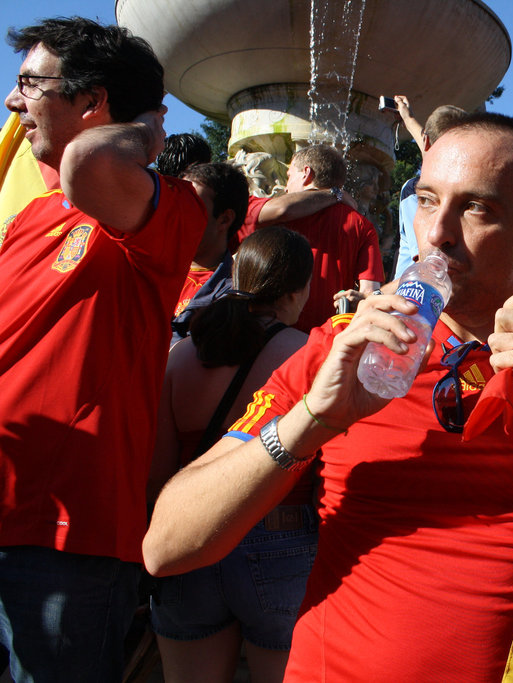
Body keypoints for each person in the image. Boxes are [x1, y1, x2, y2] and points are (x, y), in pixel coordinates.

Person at [144, 112, 513, 681]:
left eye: (477, 208)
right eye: (425, 199)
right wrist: (312, 419)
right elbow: (168, 546)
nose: (438, 232)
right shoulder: (342, 350)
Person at [0, 16, 206, 680]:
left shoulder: (170, 209)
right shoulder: (32, 213)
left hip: (68, 537)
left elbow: (92, 162)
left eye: (30, 83)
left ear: (91, 102)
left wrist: (146, 126)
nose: (12, 100)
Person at [149, 226, 315, 683]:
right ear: (299, 289)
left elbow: (159, 474)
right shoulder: (306, 356)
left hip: (190, 541)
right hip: (281, 540)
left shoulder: (181, 356)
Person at [237, 144, 384, 332]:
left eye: (289, 176)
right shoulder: (362, 225)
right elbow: (369, 292)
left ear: (306, 173)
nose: (286, 185)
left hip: (267, 333)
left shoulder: (268, 213)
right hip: (324, 340)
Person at [171, 162, 250, 345]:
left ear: (224, 219)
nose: (177, 213)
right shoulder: (149, 268)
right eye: (176, 203)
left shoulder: (230, 299)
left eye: (190, 206)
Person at [391, 95, 467, 278]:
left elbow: (426, 265)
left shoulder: (418, 191)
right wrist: (408, 119)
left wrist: (375, 295)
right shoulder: (469, 191)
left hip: (416, 293)